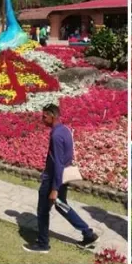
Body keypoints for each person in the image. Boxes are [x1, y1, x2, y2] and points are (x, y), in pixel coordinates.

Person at [24, 104, 98, 253]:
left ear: (53, 116)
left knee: (43, 211)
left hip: (53, 179)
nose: (42, 119)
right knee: (61, 205)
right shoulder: (65, 130)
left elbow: (58, 163)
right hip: (61, 177)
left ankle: (43, 244)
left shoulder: (56, 135)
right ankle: (88, 233)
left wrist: (54, 189)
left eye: (44, 116)